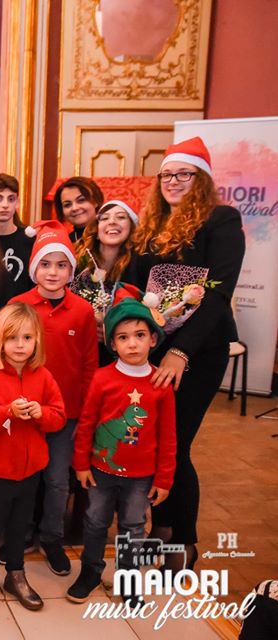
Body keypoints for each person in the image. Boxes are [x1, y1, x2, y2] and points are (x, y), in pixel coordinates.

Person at [128, 137, 245, 572]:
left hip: (197, 353)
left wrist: (180, 351)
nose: (173, 181)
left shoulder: (221, 220)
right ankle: (161, 529)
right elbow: (139, 287)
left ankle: (183, 543)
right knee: (154, 442)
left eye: (183, 174)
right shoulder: (151, 225)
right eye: (166, 174)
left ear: (202, 180)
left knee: (175, 445)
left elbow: (217, 295)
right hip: (154, 349)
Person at [68, 297, 176, 606]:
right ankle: (90, 572)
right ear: (113, 344)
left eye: (140, 335)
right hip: (101, 470)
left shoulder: (160, 383)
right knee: (95, 522)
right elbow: (87, 424)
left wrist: (164, 479)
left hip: (141, 477)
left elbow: (169, 436)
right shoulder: (102, 378)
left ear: (152, 339)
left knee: (133, 527)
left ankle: (128, 579)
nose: (132, 344)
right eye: (123, 337)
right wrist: (81, 464)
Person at [0, 302, 67, 614]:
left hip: (31, 468)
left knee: (20, 524)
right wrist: (5, 412)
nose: (20, 345)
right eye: (12, 338)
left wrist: (41, 413)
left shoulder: (44, 376)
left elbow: (59, 418)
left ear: (37, 340)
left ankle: (15, 574)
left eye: (27, 338)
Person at [9, 219, 97, 576]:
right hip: (24, 411)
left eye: (61, 265)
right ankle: (20, 534)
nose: (53, 272)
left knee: (58, 480)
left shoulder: (83, 311)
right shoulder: (18, 305)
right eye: (45, 264)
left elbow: (89, 364)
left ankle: (51, 537)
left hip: (66, 414)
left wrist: (86, 414)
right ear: (34, 267)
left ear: (71, 270)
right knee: (22, 477)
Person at [71, 200, 139, 364]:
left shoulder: (140, 266)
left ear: (131, 228)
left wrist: (113, 329)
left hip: (124, 356)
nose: (112, 222)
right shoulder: (78, 263)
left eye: (121, 217)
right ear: (96, 229)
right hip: (77, 352)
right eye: (105, 218)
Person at [0, 173, 34, 305]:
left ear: (18, 202)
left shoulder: (30, 239)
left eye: (11, 199)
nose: (5, 205)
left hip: (21, 312)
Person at [53, 176, 104, 244]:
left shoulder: (110, 234)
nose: (74, 208)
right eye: (67, 205)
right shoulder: (64, 244)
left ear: (96, 201)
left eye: (81, 200)